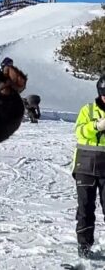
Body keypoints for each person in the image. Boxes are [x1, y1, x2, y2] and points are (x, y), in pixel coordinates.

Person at [72, 74, 105, 258]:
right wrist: (96, 126)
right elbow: (79, 132)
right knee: (85, 207)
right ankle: (84, 247)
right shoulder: (88, 110)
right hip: (85, 164)